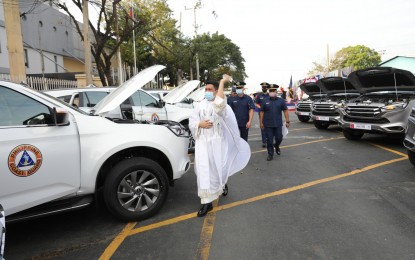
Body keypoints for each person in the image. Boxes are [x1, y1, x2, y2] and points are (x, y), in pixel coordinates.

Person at [189, 75, 251, 217]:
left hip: (217, 143)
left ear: (216, 91)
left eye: (210, 89)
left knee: (219, 169)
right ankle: (206, 202)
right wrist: (200, 124)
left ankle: (222, 184)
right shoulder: (200, 104)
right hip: (203, 143)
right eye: (205, 89)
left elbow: (219, 106)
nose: (207, 91)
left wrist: (223, 82)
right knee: (204, 170)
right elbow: (192, 121)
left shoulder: (224, 106)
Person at [260, 86, 290, 161]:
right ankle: (270, 154)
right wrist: (261, 123)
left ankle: (276, 146)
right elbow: (262, 112)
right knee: (269, 140)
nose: (272, 92)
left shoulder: (281, 101)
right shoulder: (265, 100)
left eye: (273, 91)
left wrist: (287, 121)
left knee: (279, 138)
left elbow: (285, 110)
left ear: (276, 92)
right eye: (270, 91)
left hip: (278, 124)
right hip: (268, 125)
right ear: (268, 91)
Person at [254, 82, 270, 147]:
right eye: (263, 87)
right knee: (262, 126)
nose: (264, 88)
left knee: (270, 126)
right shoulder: (259, 95)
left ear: (267, 88)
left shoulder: (270, 95)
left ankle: (269, 139)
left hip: (269, 113)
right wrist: (261, 107)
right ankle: (264, 142)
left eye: (265, 87)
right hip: (261, 113)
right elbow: (256, 103)